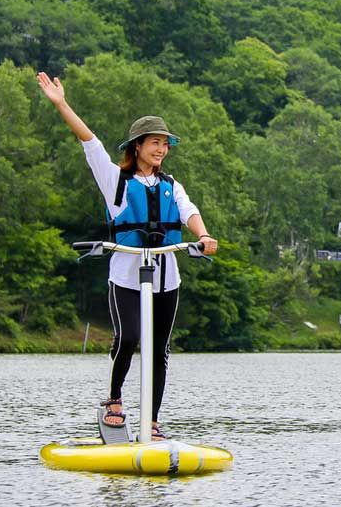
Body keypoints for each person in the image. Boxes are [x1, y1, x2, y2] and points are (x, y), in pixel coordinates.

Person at [37, 72, 218, 441]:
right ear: (137, 146)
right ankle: (114, 400)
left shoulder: (170, 184)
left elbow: (189, 212)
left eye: (165, 144)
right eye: (155, 143)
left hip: (166, 277)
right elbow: (89, 142)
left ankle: (152, 421)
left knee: (160, 349)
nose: (161, 150)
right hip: (126, 278)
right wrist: (61, 104)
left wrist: (203, 235)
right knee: (129, 337)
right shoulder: (115, 180)